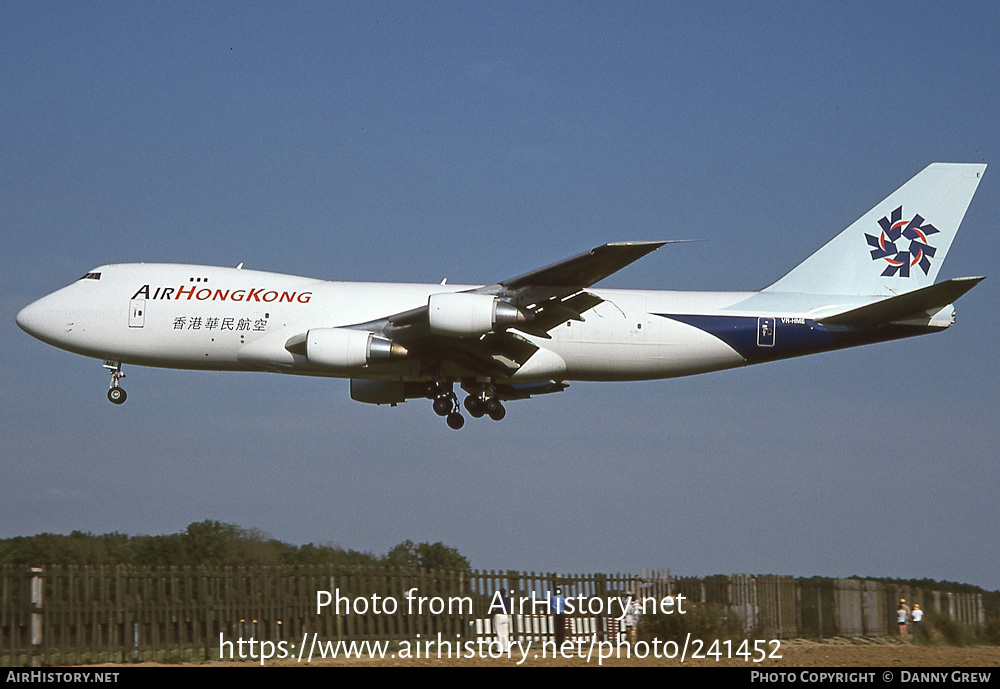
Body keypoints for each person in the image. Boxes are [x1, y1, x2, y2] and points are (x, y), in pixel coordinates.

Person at [492, 588, 512, 652]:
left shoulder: (497, 600)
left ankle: (500, 648)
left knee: (499, 633)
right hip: (506, 615)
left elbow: (494, 608)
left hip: (499, 615)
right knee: (505, 633)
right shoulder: (507, 600)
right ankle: (506, 648)